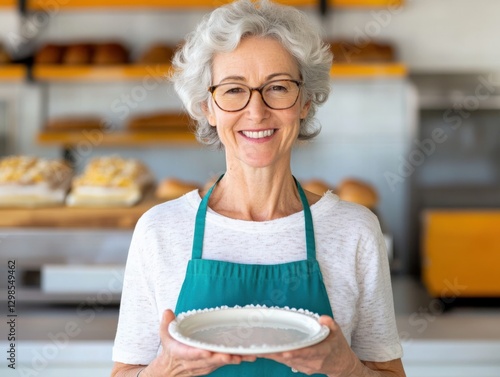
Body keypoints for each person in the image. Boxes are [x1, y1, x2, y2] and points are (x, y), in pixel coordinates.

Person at [111, 0, 405, 376]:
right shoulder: (160, 230)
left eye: (278, 87)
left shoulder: (354, 230)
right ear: (207, 107)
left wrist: (345, 366)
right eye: (234, 90)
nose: (256, 111)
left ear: (305, 101)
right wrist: (166, 368)